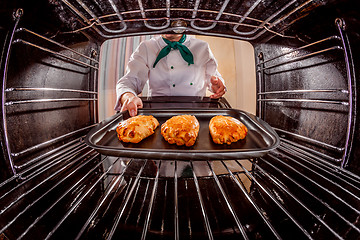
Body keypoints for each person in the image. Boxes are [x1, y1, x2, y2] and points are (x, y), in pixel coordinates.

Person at [115, 33, 227, 116]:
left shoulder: (202, 46)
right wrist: (128, 96)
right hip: (158, 115)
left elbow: (213, 77)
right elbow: (129, 81)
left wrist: (217, 86)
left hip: (197, 114)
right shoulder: (146, 47)